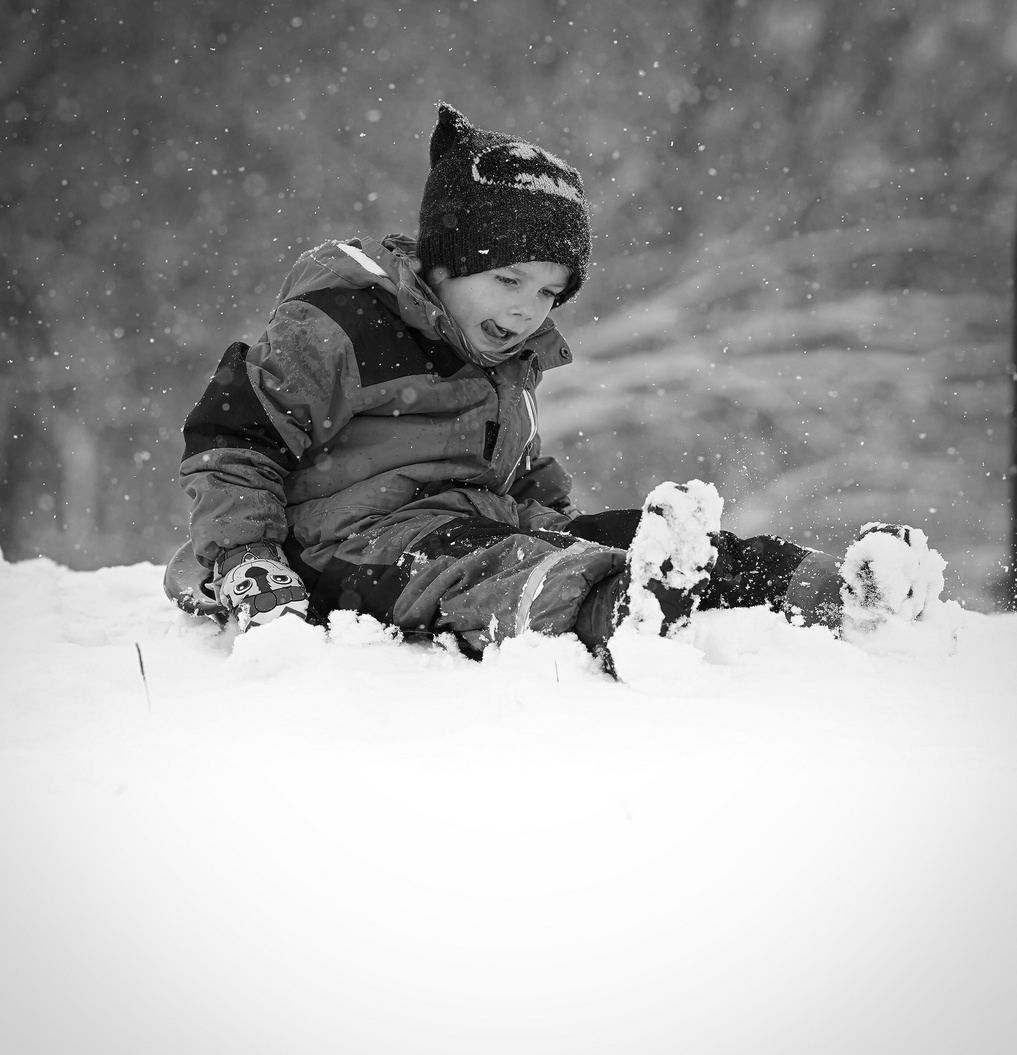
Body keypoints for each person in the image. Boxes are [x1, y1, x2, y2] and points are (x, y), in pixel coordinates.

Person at [164, 102, 945, 661]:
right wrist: (244, 560)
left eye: (547, 292)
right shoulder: (338, 326)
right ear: (444, 261)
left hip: (473, 526)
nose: (526, 309)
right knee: (493, 571)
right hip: (351, 551)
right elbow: (233, 440)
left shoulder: (505, 357)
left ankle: (823, 588)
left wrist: (555, 516)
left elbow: (516, 463)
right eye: (507, 279)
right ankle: (622, 606)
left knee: (618, 534)